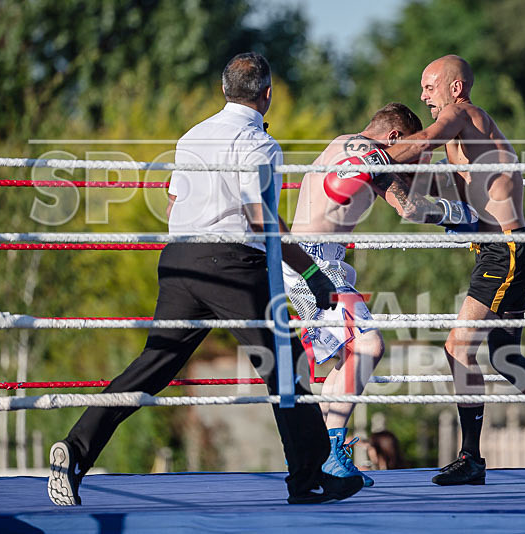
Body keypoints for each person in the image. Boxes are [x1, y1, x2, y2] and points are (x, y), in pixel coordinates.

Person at [47, 52, 364, 506]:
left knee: (152, 367)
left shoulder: (190, 137)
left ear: (223, 90)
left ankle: (75, 451)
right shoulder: (261, 146)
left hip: (178, 261)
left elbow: (176, 206)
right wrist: (312, 271)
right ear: (268, 95)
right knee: (284, 365)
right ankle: (309, 478)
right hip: (232, 265)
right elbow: (261, 222)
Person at [332, 55, 525, 485]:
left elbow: (420, 142)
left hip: (505, 252)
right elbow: (431, 189)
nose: (423, 95)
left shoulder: (460, 115)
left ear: (455, 88)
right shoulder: (466, 138)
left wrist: (364, 155)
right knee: (506, 357)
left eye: (429, 86)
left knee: (458, 349)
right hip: (505, 251)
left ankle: (472, 458)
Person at [285, 102, 478, 487]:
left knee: (349, 356)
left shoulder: (355, 152)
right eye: (409, 147)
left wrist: (452, 204)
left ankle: (324, 455)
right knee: (367, 347)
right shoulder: (358, 152)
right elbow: (408, 207)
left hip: (318, 264)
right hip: (313, 266)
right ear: (394, 138)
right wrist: (466, 216)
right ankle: (330, 456)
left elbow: (409, 195)